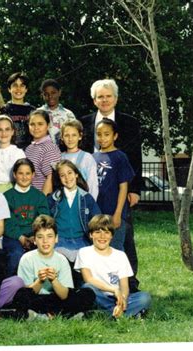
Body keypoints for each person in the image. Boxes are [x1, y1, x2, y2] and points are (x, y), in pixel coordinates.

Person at [78, 78, 142, 291]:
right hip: (95, 196)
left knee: (124, 239)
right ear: (94, 100)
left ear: (115, 98)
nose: (104, 100)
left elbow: (135, 157)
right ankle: (99, 282)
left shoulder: (129, 122)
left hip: (119, 195)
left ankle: (129, 284)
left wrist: (135, 189)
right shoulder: (85, 122)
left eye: (108, 96)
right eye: (100, 97)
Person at [17, 215, 95, 319]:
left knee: (87, 293)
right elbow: (26, 293)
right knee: (20, 297)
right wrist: (40, 281)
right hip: (37, 300)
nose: (45, 241)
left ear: (56, 238)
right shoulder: (26, 258)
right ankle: (59, 315)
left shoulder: (62, 259)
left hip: (57, 299)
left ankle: (44, 316)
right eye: (40, 237)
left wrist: (54, 280)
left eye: (49, 236)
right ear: (34, 240)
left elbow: (65, 295)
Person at [75, 214, 151, 318]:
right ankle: (127, 314)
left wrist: (122, 301)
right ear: (91, 235)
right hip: (98, 295)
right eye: (97, 232)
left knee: (144, 297)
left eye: (107, 232)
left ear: (112, 235)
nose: (102, 237)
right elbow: (89, 279)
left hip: (117, 297)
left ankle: (109, 313)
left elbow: (124, 286)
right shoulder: (84, 252)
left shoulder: (120, 255)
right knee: (87, 289)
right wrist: (113, 290)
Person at [48, 160, 101, 286]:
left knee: (83, 274)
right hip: (60, 240)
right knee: (61, 270)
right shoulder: (54, 198)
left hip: (81, 240)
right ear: (59, 178)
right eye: (62, 175)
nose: (67, 178)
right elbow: (46, 221)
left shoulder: (86, 198)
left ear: (76, 174)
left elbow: (98, 221)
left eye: (70, 173)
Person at [3, 158, 50, 276]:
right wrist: (21, 237)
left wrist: (35, 236)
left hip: (35, 236)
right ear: (14, 175)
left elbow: (44, 219)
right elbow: (8, 222)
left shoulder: (39, 196)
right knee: (15, 255)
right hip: (14, 237)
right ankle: (10, 287)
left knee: (41, 254)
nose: (24, 177)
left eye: (28, 173)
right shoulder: (7, 196)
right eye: (20, 173)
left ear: (33, 175)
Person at [93, 119, 134, 251]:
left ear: (115, 136)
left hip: (113, 213)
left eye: (106, 134)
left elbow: (123, 188)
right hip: (97, 213)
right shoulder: (92, 157)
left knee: (115, 251)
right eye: (99, 134)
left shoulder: (120, 157)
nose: (102, 138)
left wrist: (118, 214)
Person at [24, 109, 61, 195]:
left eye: (40, 124)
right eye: (32, 124)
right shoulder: (29, 148)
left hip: (42, 200)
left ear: (48, 126)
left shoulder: (50, 148)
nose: (36, 128)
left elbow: (51, 178)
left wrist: (42, 204)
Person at [60, 120, 98, 200]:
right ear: (62, 137)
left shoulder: (87, 158)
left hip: (82, 201)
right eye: (67, 135)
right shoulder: (59, 157)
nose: (70, 139)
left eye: (74, 135)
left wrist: (90, 204)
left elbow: (93, 185)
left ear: (80, 136)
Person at [2, 72, 35, 149]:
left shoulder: (33, 111)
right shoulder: (3, 110)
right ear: (9, 89)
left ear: (26, 89)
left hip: (28, 151)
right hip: (9, 150)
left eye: (22, 86)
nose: (18, 89)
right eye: (15, 85)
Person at [0, 115, 25, 193]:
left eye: (7, 129)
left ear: (12, 131)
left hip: (13, 191)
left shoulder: (18, 152)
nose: (4, 133)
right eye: (0, 130)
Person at [38, 78, 76, 146]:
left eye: (53, 93)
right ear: (42, 95)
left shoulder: (68, 114)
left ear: (59, 92)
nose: (50, 96)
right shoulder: (38, 113)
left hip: (64, 153)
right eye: (46, 94)